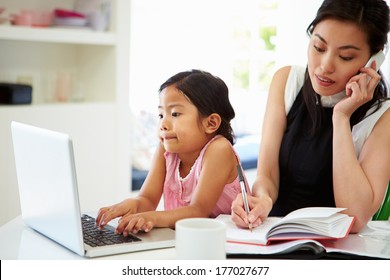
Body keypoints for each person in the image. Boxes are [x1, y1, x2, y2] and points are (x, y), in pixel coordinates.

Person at [232, 0, 390, 233]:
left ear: (373, 61)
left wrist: (341, 117)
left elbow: (355, 217)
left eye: (345, 57)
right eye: (318, 47)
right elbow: (267, 175)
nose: (325, 66)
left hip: (336, 252)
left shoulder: (382, 116)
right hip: (275, 235)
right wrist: (262, 199)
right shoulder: (287, 81)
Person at [96, 69, 248, 236]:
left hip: (225, 243)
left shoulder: (219, 150)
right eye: (161, 115)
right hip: (186, 241)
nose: (163, 124)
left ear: (211, 123)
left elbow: (198, 212)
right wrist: (133, 205)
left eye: (175, 114)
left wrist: (152, 218)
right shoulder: (166, 150)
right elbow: (147, 199)